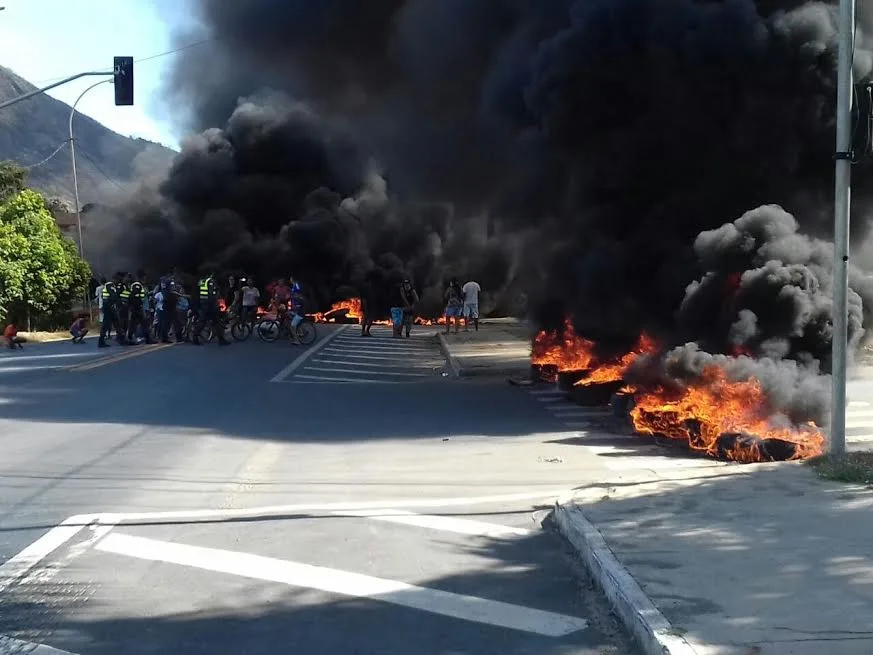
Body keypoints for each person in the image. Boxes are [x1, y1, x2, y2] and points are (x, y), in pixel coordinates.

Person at [195, 271, 230, 346]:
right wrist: (216, 304)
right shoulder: (211, 281)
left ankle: (195, 337)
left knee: (203, 321)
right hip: (210, 305)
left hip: (203, 304)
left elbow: (198, 293)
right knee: (217, 322)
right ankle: (221, 340)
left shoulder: (201, 281)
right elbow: (212, 294)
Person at [99, 273, 125, 348]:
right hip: (108, 307)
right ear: (115, 279)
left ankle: (121, 339)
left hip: (109, 306)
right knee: (107, 324)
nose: (119, 282)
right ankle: (101, 341)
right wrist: (119, 302)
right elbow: (113, 296)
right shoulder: (110, 285)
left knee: (116, 323)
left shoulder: (111, 286)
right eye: (118, 280)